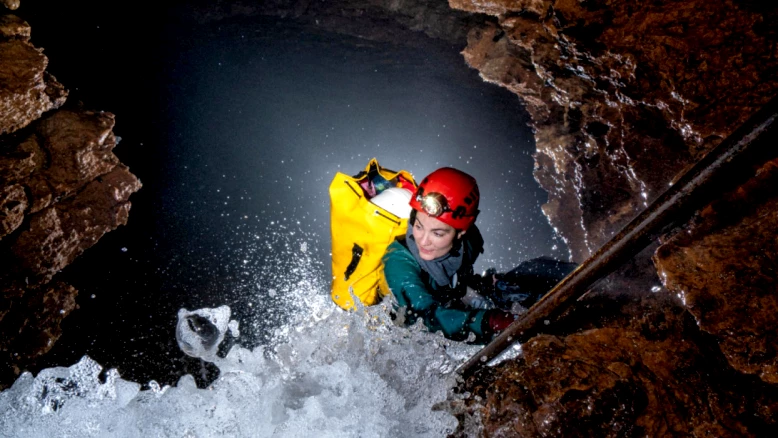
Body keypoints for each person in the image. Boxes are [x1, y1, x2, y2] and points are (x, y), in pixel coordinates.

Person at [379, 167, 576, 343]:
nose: (423, 240)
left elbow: (460, 281)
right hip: (417, 331)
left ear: (461, 232)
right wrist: (488, 321)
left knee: (532, 272)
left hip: (452, 299)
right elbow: (425, 317)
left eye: (438, 233)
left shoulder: (470, 242)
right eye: (419, 226)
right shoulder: (397, 261)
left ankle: (587, 284)